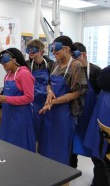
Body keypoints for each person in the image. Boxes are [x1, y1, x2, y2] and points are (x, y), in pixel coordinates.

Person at [38, 36, 87, 165]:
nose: (54, 53)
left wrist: (53, 101)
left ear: (66, 49)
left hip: (64, 114)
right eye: (52, 51)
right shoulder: (56, 63)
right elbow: (48, 82)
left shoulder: (76, 65)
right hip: (49, 112)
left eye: (56, 51)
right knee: (46, 145)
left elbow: (77, 93)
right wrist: (49, 91)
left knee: (60, 148)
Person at [0, 48, 35, 152]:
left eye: (5, 60)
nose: (3, 64)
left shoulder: (24, 73)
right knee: (7, 146)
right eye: (1, 61)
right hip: (8, 116)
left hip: (20, 117)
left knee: (20, 147)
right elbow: (7, 94)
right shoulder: (8, 75)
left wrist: (7, 99)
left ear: (14, 60)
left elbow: (29, 97)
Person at [70, 42, 101, 169]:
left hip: (90, 116)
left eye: (75, 56)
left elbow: (101, 95)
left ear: (84, 55)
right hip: (75, 115)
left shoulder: (95, 71)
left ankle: (99, 179)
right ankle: (71, 172)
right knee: (71, 147)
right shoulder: (71, 70)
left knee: (93, 148)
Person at [84, 65, 110, 186]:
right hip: (102, 114)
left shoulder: (101, 72)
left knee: (102, 158)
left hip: (105, 115)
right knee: (100, 159)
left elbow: (102, 81)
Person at [25, 39, 54, 142]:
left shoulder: (50, 64)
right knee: (34, 127)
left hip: (47, 100)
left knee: (46, 128)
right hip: (33, 101)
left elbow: (53, 82)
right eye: (29, 50)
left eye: (33, 50)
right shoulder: (27, 64)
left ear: (41, 51)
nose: (30, 52)